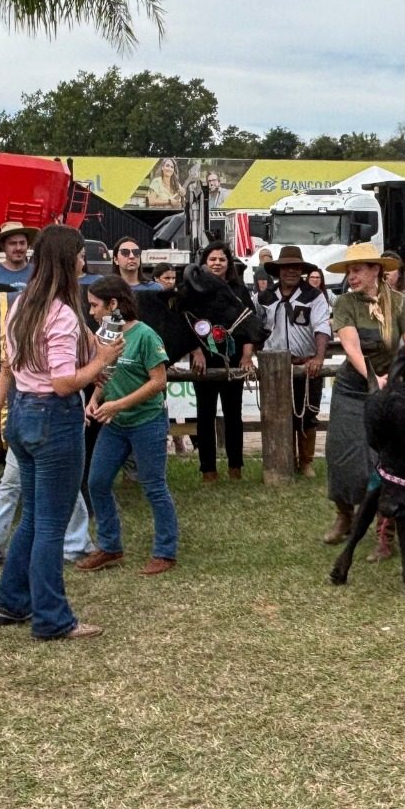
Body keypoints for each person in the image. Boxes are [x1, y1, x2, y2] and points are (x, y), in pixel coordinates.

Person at [0, 224, 123, 641]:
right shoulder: (61, 313)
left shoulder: (23, 302)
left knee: (33, 518)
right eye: (81, 255)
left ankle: (12, 601)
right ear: (69, 260)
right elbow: (64, 382)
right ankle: (52, 617)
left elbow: (19, 366)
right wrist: (100, 361)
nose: (84, 261)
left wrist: (93, 361)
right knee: (51, 524)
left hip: (25, 412)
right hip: (54, 416)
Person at [323, 243, 405, 544]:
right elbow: (351, 346)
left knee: (382, 458)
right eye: (349, 271)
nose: (351, 276)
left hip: (387, 387)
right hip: (352, 387)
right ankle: (345, 515)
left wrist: (398, 375)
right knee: (340, 453)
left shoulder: (400, 304)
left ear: (375, 270)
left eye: (357, 270)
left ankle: (385, 531)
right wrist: (373, 378)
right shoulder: (344, 303)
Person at [80, 276, 178, 576]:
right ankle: (110, 546)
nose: (92, 312)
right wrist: (95, 398)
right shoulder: (106, 334)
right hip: (115, 422)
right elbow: (106, 374)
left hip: (146, 421)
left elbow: (159, 382)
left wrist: (118, 405)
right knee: (97, 482)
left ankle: (165, 551)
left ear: (114, 304)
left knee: (154, 486)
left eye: (96, 306)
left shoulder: (146, 336)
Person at [258, 246, 332, 480]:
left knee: (308, 412)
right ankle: (283, 459)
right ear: (278, 270)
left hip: (305, 362)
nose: (290, 271)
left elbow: (322, 327)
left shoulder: (314, 296)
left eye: (295, 267)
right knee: (278, 414)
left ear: (301, 270)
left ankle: (306, 461)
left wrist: (319, 357)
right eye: (286, 267)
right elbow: (253, 327)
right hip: (275, 366)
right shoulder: (264, 297)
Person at [189, 241, 257, 483]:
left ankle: (235, 467)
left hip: (234, 357)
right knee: (204, 415)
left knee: (233, 414)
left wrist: (247, 356)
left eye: (221, 259)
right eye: (212, 259)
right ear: (204, 263)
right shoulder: (194, 289)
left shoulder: (239, 291)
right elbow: (187, 322)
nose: (217, 263)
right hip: (203, 359)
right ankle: (208, 470)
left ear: (229, 264)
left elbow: (250, 325)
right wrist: (195, 351)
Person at [0, 222, 38, 292]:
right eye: (12, 243)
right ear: (2, 246)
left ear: (28, 245)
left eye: (22, 243)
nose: (18, 248)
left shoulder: (37, 274)